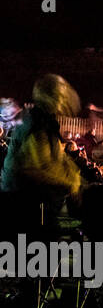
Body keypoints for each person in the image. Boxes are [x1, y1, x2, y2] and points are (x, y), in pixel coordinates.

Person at [1, 74, 83, 244]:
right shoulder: (38, 124)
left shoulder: (40, 120)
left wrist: (73, 175)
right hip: (25, 202)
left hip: (25, 198)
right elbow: (38, 168)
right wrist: (72, 183)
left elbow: (54, 159)